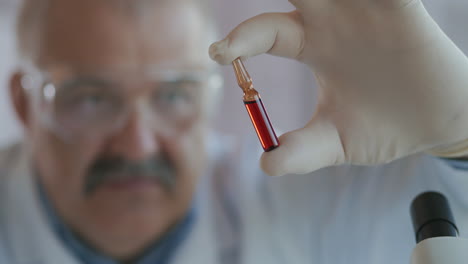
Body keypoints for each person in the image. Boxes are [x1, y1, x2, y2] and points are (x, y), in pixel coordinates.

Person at [0, 0, 467, 264]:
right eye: (93, 98)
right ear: (23, 102)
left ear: (210, 98)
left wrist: (460, 137)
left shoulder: (294, 198)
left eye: (173, 95)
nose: (138, 144)